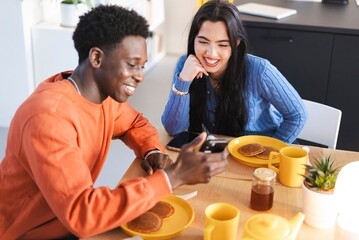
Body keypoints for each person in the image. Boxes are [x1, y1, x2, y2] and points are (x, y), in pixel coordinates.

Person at [0, 5, 227, 239]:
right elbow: (83, 212)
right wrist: (173, 176)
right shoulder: (48, 117)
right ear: (97, 57)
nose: (139, 76)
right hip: (28, 233)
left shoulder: (101, 97)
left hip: (68, 222)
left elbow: (135, 124)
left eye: (142, 66)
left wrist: (151, 152)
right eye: (131, 64)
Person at [161, 0, 307, 144]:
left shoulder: (260, 70)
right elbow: (174, 130)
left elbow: (298, 115)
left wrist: (271, 150)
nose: (211, 53)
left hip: (264, 154)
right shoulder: (186, 65)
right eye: (203, 42)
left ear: (235, 44)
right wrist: (183, 81)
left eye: (222, 45)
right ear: (193, 40)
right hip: (224, 152)